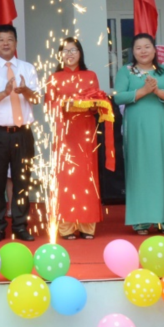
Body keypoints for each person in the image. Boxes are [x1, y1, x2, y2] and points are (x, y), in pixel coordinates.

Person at [0, 24, 39, 242]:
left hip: (23, 133)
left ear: (16, 43)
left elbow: (37, 99)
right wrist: (4, 93)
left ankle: (21, 226)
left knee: (23, 182)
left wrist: (25, 90)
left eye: (9, 39)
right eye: (1, 40)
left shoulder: (28, 68)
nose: (5, 43)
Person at [113, 33, 164, 235]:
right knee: (138, 169)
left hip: (158, 125)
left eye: (147, 46)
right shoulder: (126, 71)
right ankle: (140, 220)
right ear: (132, 52)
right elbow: (118, 97)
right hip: (136, 126)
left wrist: (157, 91)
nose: (143, 51)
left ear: (154, 50)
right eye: (138, 47)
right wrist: (142, 91)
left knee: (160, 168)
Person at [45, 37, 104, 240]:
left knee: (87, 177)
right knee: (66, 178)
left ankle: (87, 225)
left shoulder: (90, 75)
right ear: (59, 55)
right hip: (64, 132)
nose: (69, 54)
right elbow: (49, 105)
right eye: (65, 50)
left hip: (85, 131)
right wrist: (64, 104)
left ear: (80, 53)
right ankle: (66, 226)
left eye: (73, 50)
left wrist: (95, 104)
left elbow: (97, 102)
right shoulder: (54, 77)